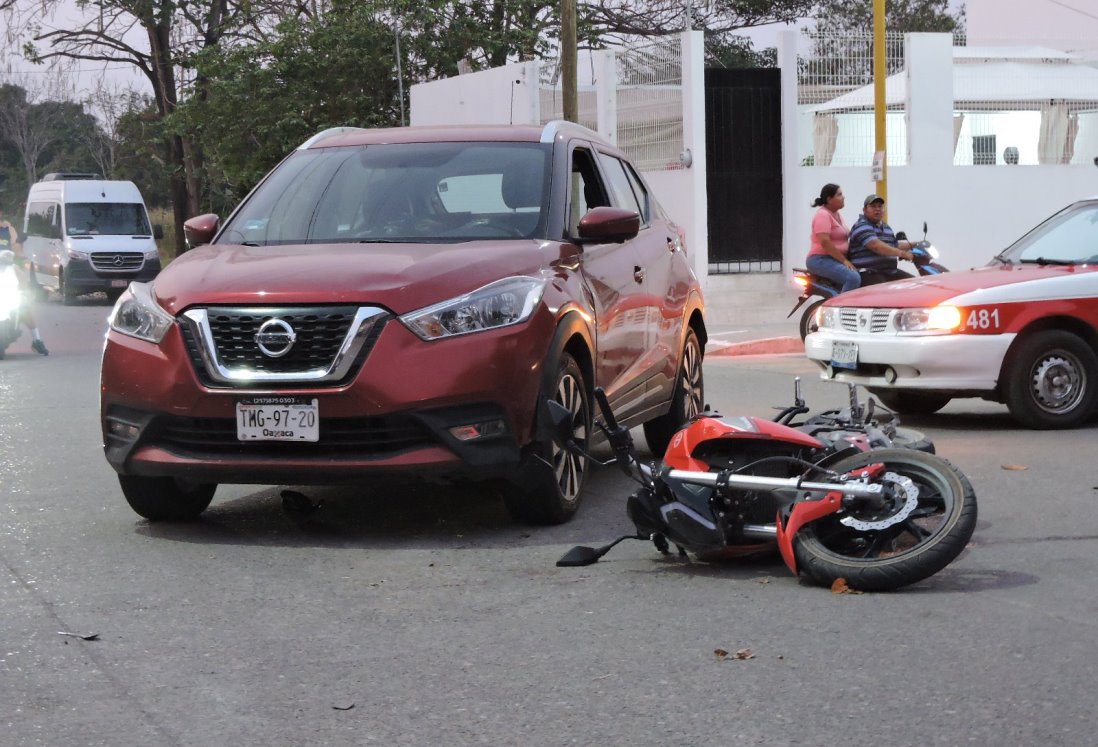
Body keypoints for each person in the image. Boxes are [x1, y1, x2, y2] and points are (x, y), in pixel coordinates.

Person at [0, 206, 49, 355]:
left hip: (7, 270)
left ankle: (37, 339)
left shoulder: (8, 229)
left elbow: (16, 247)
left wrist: (19, 255)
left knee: (23, 304)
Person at [847, 194, 916, 284]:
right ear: (864, 210)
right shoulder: (861, 225)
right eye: (873, 206)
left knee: (916, 284)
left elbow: (894, 246)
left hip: (890, 272)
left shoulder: (886, 227)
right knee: (888, 292)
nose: (877, 209)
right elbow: (876, 246)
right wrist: (902, 254)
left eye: (880, 206)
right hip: (869, 272)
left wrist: (915, 245)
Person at [806, 183, 859, 293]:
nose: (843, 197)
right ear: (829, 199)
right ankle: (839, 308)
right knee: (853, 278)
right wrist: (844, 261)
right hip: (820, 259)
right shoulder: (823, 215)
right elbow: (825, 242)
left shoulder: (837, 215)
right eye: (839, 195)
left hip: (834, 259)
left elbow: (848, 235)